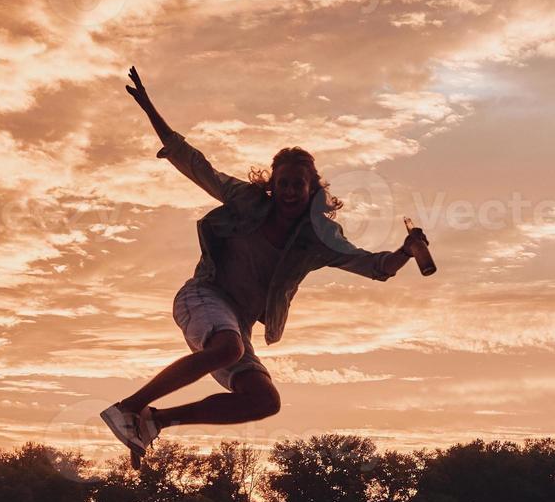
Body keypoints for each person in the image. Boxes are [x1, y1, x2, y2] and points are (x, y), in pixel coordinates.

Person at [101, 66, 429, 468]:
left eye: (299, 185)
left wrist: (407, 251)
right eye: (284, 183)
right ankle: (129, 408)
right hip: (203, 297)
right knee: (228, 347)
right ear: (273, 185)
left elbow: (375, 266)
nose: (290, 191)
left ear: (311, 191)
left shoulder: (318, 238)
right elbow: (196, 165)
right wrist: (150, 109)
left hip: (236, 324)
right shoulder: (246, 201)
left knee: (264, 400)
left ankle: (156, 421)